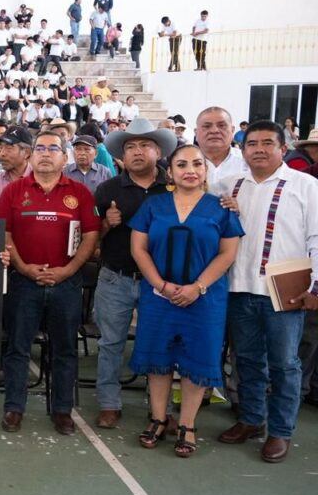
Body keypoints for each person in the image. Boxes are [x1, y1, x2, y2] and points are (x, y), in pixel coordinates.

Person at [128, 144, 243, 457]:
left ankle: (187, 424)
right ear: (170, 171)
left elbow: (227, 254)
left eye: (196, 164)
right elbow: (138, 248)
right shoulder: (153, 206)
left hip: (204, 299)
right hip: (158, 298)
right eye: (181, 165)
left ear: (205, 171)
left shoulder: (221, 208)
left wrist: (197, 287)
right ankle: (158, 418)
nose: (190, 170)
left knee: (196, 360)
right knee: (158, 359)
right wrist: (161, 285)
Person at [215, 121, 318, 463]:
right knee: (246, 359)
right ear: (243, 150)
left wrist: (316, 285)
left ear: (283, 148)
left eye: (267, 143)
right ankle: (251, 419)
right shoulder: (230, 185)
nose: (259, 149)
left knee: (284, 364)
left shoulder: (305, 186)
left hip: (285, 289)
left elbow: (316, 238)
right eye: (252, 143)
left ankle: (280, 430)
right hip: (239, 286)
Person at [0, 131, 100, 435]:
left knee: (64, 349)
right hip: (23, 282)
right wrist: (24, 267)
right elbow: (5, 234)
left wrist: (68, 271)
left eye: (53, 148)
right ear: (30, 155)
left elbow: (91, 236)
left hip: (66, 284)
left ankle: (62, 410)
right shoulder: (13, 191)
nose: (45, 153)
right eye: (39, 148)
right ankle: (14, 408)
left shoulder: (80, 193)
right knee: (17, 347)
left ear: (64, 158)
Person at [91, 118, 175, 428]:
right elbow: (91, 239)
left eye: (145, 145)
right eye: (130, 147)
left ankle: (161, 409)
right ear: (122, 155)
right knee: (110, 344)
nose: (137, 152)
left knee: (161, 344)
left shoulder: (173, 188)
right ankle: (109, 403)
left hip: (161, 281)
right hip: (116, 277)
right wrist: (106, 223)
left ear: (158, 151)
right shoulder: (107, 189)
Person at [0, 125, 32, 214]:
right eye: (1, 148)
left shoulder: (40, 180)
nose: (2, 153)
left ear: (26, 152)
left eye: (9, 148)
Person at [197, 106, 248, 183]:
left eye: (222, 126)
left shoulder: (248, 162)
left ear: (232, 130)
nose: (214, 131)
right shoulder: (182, 164)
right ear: (196, 132)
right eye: (207, 126)